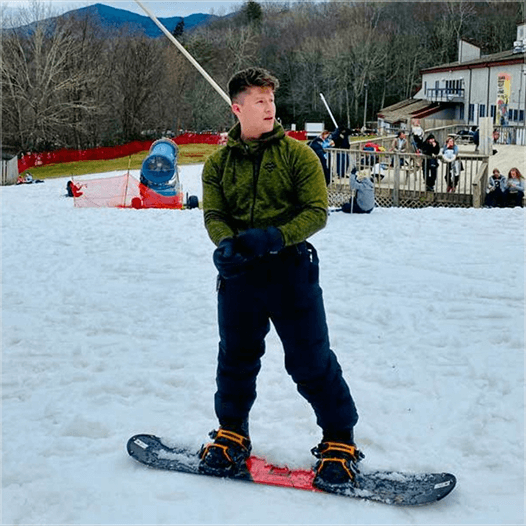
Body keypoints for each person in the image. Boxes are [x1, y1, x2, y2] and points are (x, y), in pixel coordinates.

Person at [200, 67, 361, 491]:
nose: (270, 107)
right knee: (235, 358)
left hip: (291, 272)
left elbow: (316, 213)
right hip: (240, 275)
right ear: (238, 109)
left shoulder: (298, 156)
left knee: (310, 361)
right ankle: (232, 431)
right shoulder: (217, 164)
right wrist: (226, 245)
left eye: (271, 99)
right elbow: (214, 214)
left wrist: (273, 237)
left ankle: (339, 439)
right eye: (259, 100)